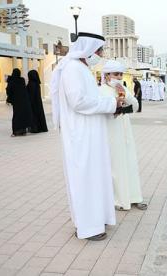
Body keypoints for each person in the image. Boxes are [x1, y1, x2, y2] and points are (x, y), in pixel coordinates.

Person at [50, 32, 124, 241]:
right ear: (88, 49)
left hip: (91, 135)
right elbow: (79, 101)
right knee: (84, 179)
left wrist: (113, 108)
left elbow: (92, 99)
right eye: (99, 51)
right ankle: (88, 227)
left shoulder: (82, 69)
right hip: (81, 137)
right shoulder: (73, 69)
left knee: (95, 177)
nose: (99, 55)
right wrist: (110, 104)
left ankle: (97, 220)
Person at [100, 60, 148, 211]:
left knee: (130, 162)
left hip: (125, 131)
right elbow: (101, 111)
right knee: (116, 165)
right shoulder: (100, 90)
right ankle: (118, 200)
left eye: (120, 74)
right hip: (111, 131)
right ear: (107, 76)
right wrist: (115, 107)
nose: (119, 77)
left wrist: (123, 96)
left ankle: (134, 197)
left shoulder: (123, 89)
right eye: (115, 74)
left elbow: (135, 105)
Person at [6, 68, 32, 136]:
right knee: (23, 115)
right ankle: (23, 131)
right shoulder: (22, 80)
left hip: (16, 102)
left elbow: (9, 91)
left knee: (16, 116)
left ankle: (15, 132)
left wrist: (8, 100)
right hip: (24, 101)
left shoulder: (11, 81)